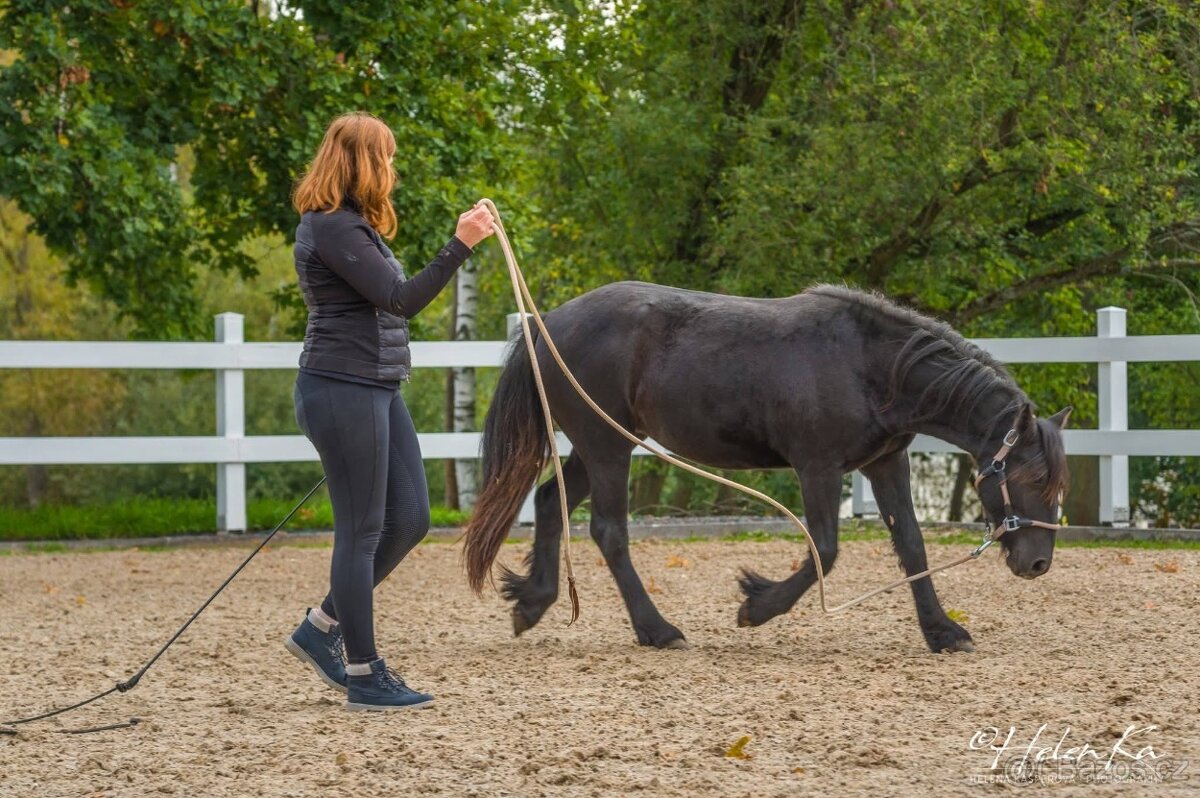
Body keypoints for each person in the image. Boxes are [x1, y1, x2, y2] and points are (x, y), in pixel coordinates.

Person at [284, 111, 495, 711]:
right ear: (364, 161)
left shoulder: (351, 226)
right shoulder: (332, 227)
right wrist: (461, 244)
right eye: (388, 158)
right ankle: (364, 673)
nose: (393, 169)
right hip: (341, 388)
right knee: (361, 532)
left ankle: (321, 628)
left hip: (373, 386)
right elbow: (400, 300)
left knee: (411, 518)